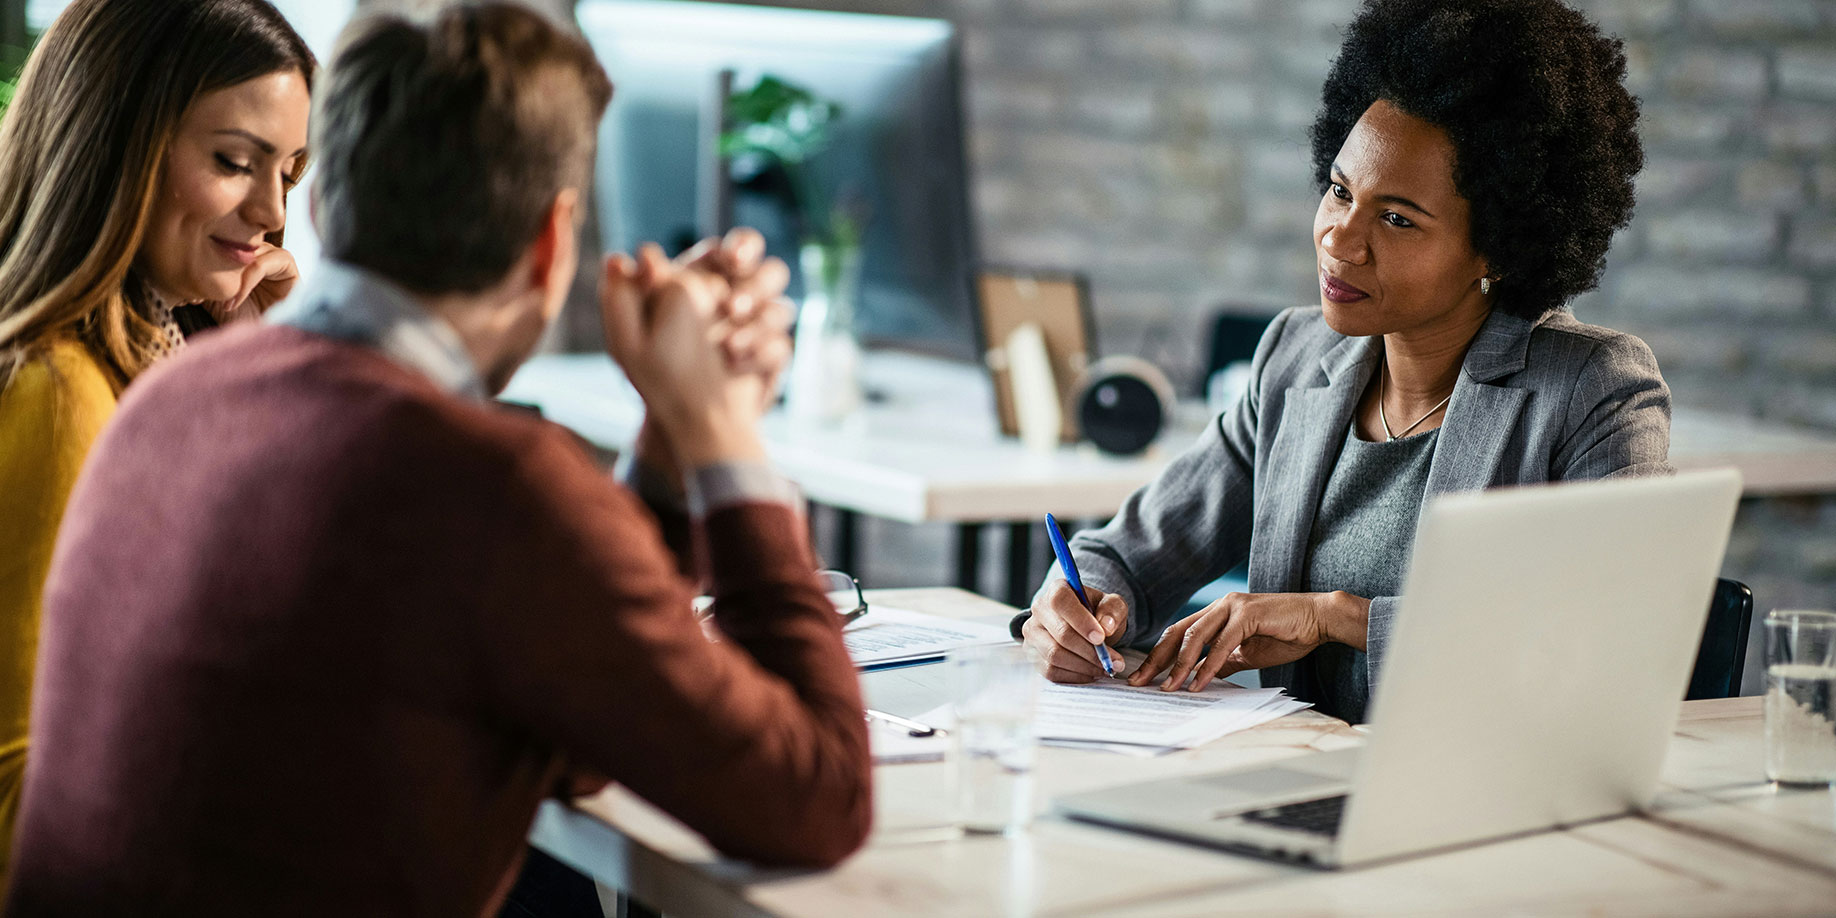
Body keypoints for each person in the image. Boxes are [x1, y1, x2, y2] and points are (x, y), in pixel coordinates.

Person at [7, 3, 868, 914]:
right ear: (552, 240)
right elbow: (818, 800)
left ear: (325, 199)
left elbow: (575, 700)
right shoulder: (495, 487)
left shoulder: (169, 396)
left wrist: (667, 437)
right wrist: (722, 432)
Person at [1018, 0, 1666, 723]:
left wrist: (1336, 617)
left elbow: (1604, 640)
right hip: (1294, 773)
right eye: (1339, 191)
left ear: (1500, 250)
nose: (1339, 239)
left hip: (1472, 780)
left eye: (1396, 218)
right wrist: (1077, 607)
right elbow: (1133, 553)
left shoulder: (1592, 392)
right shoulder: (1295, 358)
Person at [0, 0, 311, 879]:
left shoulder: (158, 353)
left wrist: (245, 356)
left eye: (289, 171)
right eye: (234, 163)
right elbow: (21, 788)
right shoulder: (61, 392)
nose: (272, 211)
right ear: (114, 145)